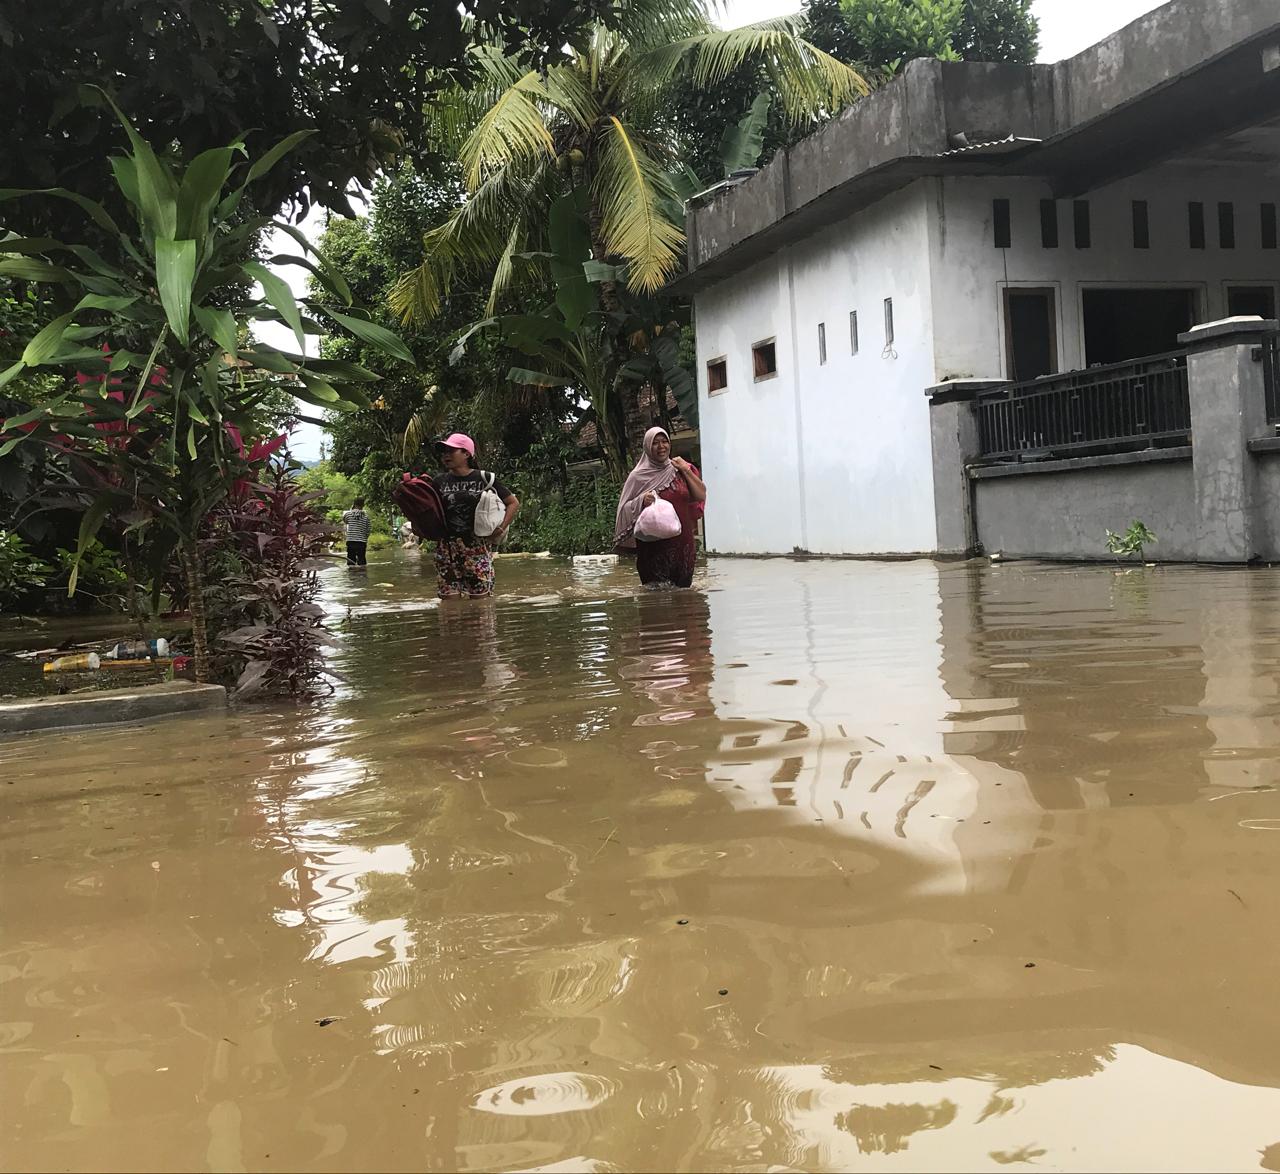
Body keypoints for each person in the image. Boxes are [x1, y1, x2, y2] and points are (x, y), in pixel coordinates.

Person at [614, 426, 706, 588]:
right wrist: (641, 500)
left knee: (685, 594)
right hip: (653, 546)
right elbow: (623, 510)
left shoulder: (679, 469)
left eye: (664, 441)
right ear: (647, 447)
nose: (661, 446)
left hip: (683, 543)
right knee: (656, 595)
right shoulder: (638, 476)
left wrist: (685, 470)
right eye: (655, 443)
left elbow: (700, 495)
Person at [431, 432, 519, 599]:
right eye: (444, 452)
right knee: (449, 603)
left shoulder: (484, 478)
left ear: (466, 454)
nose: (446, 455)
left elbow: (513, 503)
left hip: (477, 547)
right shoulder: (439, 482)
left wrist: (501, 528)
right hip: (446, 549)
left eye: (451, 451)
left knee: (480, 603)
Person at [342, 497, 372, 567]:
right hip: (361, 542)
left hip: (351, 541)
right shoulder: (366, 517)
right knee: (362, 561)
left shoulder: (348, 514)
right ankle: (362, 573)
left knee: (351, 561)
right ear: (363, 505)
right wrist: (365, 537)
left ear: (354, 504)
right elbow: (368, 529)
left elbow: (345, 521)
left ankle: (352, 573)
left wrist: (351, 509)